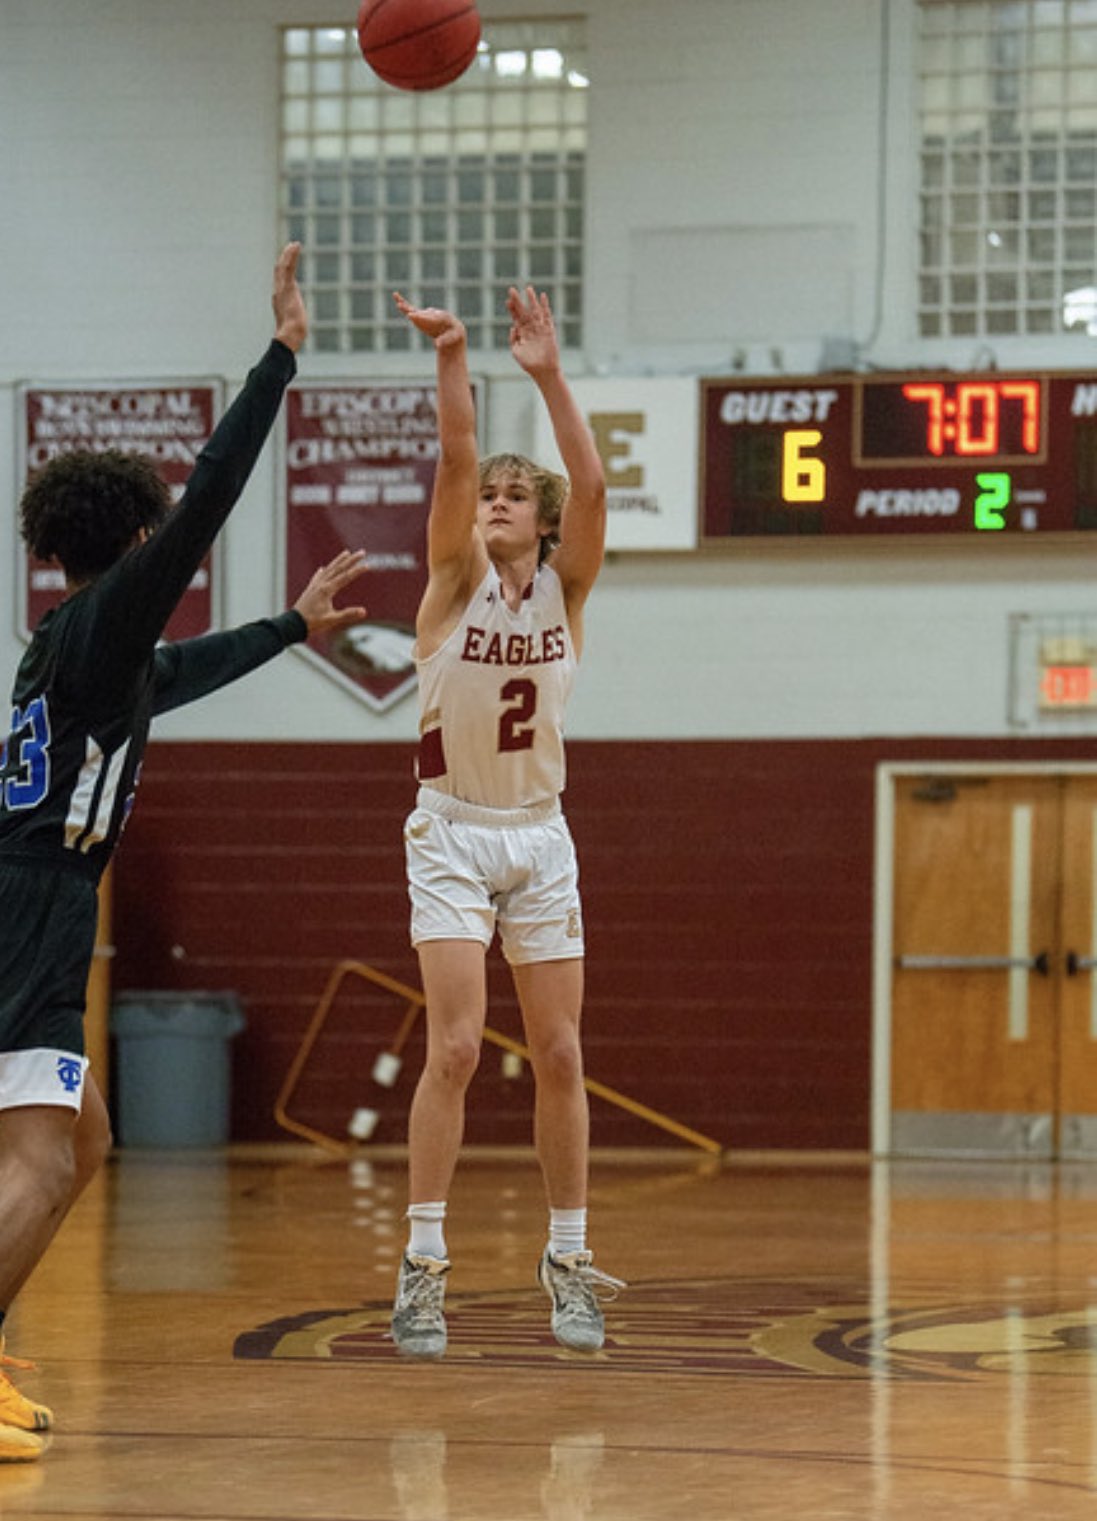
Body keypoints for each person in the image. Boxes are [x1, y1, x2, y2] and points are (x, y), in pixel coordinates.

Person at [0, 244, 367, 1463]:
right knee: (44, 1166)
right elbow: (209, 496)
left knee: (82, 1144)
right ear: (139, 538)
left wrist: (292, 627)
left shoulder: (73, 645)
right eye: (163, 536)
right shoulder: (104, 618)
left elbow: (178, 674)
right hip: (34, 910)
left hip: (29, 900)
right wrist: (279, 363)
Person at [389, 284, 622, 1360]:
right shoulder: (449, 584)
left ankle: (567, 1257)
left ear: (542, 519)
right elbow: (449, 461)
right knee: (451, 1050)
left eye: (512, 496)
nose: (492, 501)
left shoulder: (565, 593)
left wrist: (547, 377)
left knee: (562, 1051)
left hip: (539, 834)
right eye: (490, 493)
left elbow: (597, 485)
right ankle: (422, 1265)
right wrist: (455, 358)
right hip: (449, 830)